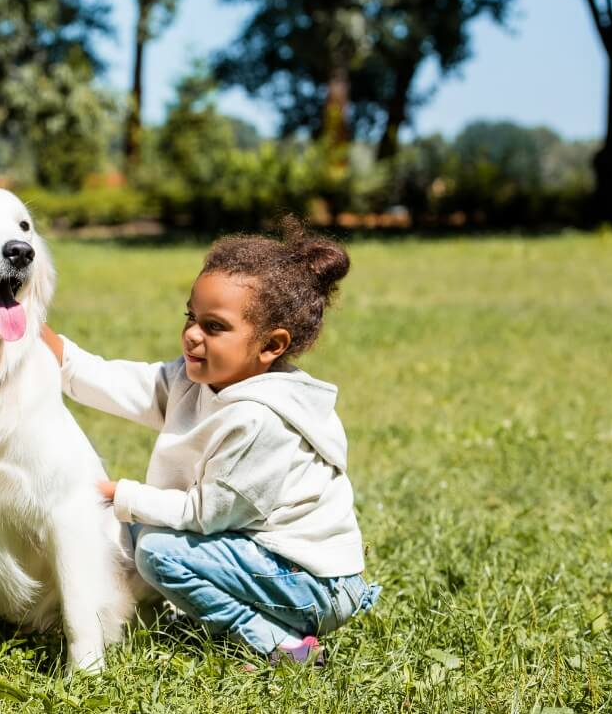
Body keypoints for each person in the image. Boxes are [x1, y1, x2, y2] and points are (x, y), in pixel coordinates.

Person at [41, 225, 380, 668]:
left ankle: (278, 645)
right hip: (269, 562)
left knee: (157, 549)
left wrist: (117, 493)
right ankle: (167, 610)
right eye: (190, 317)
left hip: (314, 585)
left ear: (271, 345)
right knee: (143, 529)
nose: (193, 336)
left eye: (214, 326)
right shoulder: (196, 379)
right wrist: (52, 346)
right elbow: (123, 384)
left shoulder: (259, 419)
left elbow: (206, 515)